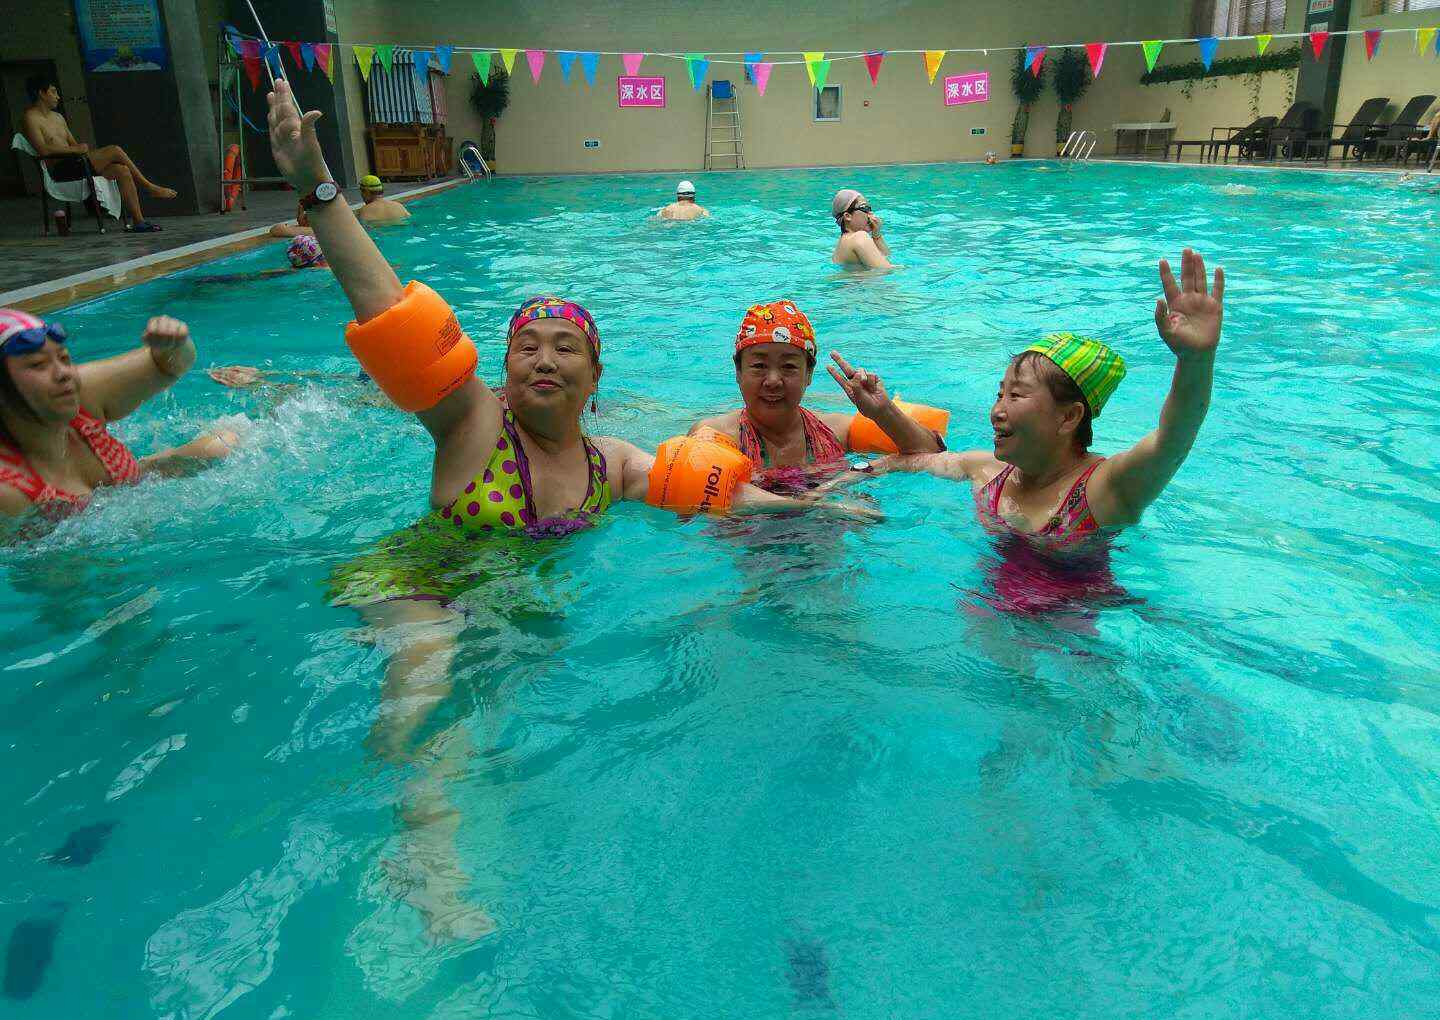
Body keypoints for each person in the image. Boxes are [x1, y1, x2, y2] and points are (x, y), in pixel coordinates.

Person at [263, 78, 868, 940]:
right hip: (416, 581)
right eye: (526, 346)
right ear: (503, 369)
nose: (543, 359)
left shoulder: (608, 461)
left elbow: (713, 489)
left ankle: (461, 825)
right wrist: (319, 189)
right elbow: (391, 315)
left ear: (595, 377)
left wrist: (815, 513)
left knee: (501, 722)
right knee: (433, 666)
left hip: (511, 595)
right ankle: (418, 851)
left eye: (565, 348)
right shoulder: (472, 425)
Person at [861, 248, 1223, 611]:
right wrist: (850, 475)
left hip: (1069, 622)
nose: (997, 411)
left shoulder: (1104, 489)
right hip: (988, 607)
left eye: (1016, 395)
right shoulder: (986, 470)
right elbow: (914, 462)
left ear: (1069, 417)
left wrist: (1196, 359)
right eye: (999, 394)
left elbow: (1173, 438)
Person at [0, 309, 240, 519]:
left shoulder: (83, 393)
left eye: (64, 358)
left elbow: (171, 364)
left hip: (135, 491)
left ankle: (149, 466)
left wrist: (174, 344)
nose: (63, 373)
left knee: (225, 443)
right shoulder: (8, 492)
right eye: (38, 365)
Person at [689, 300, 944, 493]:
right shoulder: (717, 436)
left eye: (789, 366)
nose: (773, 380)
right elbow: (700, 500)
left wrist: (883, 412)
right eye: (759, 366)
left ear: (808, 374)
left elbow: (930, 454)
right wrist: (822, 504)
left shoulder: (833, 432)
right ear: (738, 372)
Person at [20, 75, 175, 233]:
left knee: (122, 170)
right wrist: (76, 150)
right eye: (53, 92)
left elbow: (74, 145)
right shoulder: (30, 118)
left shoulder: (58, 117)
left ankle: (139, 222)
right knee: (115, 150)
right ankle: (149, 187)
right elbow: (43, 150)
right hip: (60, 171)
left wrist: (79, 149)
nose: (57, 96)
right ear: (41, 93)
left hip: (77, 164)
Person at [830, 189, 893, 270]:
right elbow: (887, 270)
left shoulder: (842, 243)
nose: (870, 213)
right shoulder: (859, 237)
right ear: (847, 216)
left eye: (869, 209)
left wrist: (876, 235)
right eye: (865, 208)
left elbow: (886, 257)